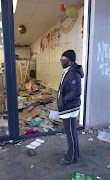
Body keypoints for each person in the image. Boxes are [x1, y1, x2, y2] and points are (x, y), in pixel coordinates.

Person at [57, 50, 84, 165]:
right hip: (69, 107)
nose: (62, 61)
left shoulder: (73, 73)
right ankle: (74, 152)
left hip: (69, 108)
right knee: (72, 132)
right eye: (61, 59)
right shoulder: (69, 71)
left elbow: (76, 91)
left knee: (69, 133)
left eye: (65, 59)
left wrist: (63, 100)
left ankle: (71, 158)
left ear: (71, 60)